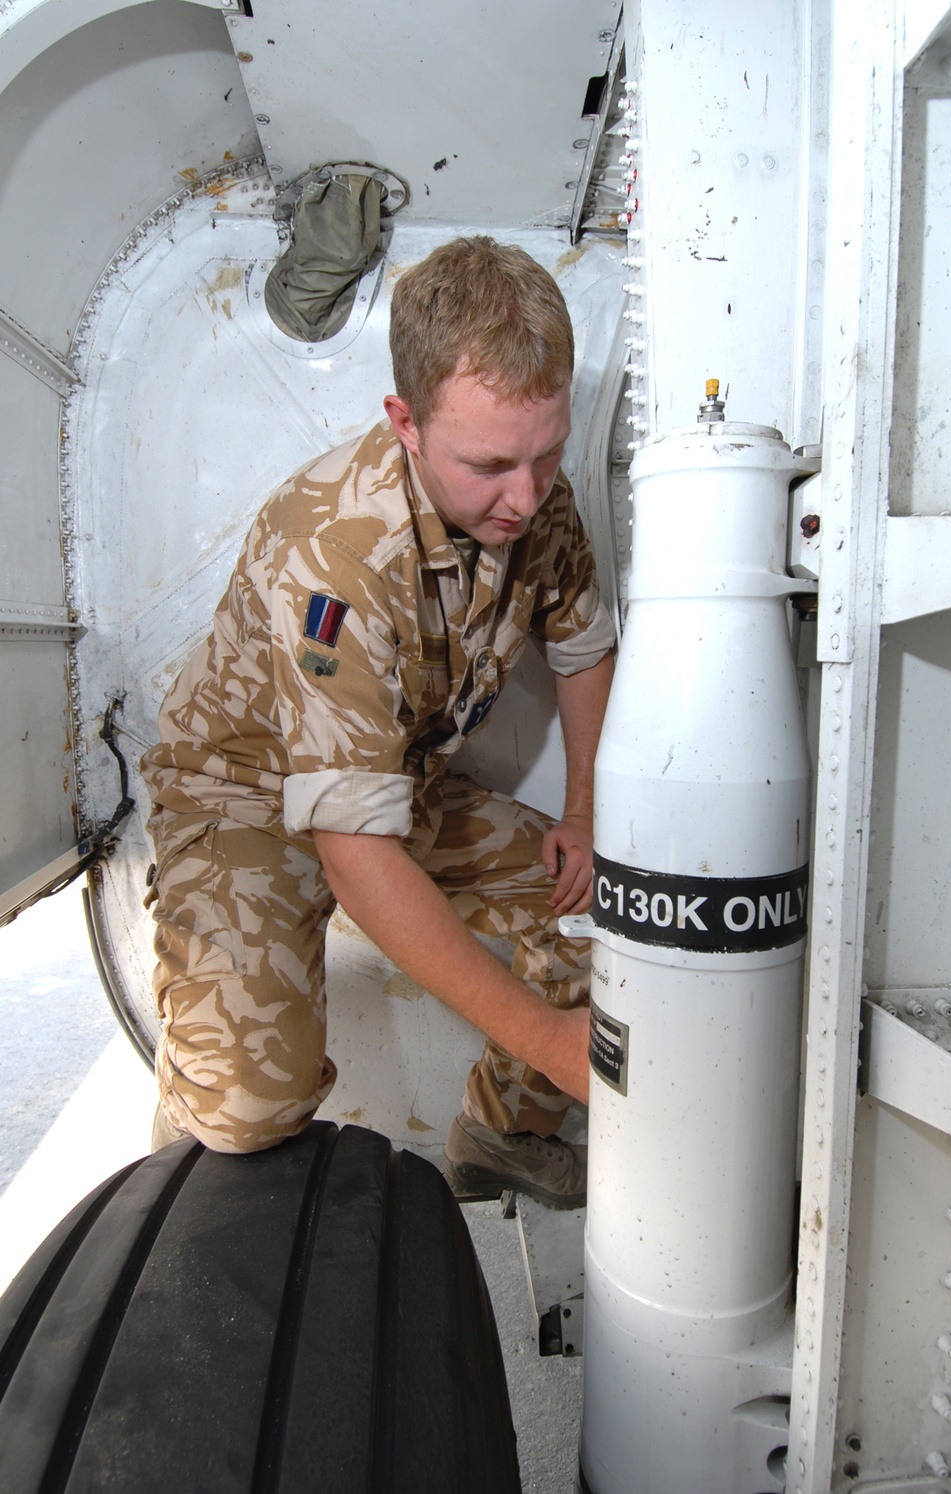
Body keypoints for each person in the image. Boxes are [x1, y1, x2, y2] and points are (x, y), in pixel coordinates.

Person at [140, 235, 615, 1207]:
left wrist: (584, 810)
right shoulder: (334, 551)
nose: (526, 497)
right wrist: (552, 1042)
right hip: (247, 798)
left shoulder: (531, 496)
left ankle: (501, 1139)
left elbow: (582, 646)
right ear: (404, 420)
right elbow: (353, 850)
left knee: (598, 918)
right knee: (239, 1113)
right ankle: (177, 1195)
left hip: (394, 786)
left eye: (549, 451)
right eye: (488, 464)